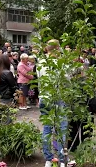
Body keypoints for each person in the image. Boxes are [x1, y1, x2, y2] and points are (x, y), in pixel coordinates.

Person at [37, 39, 68, 167]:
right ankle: (62, 160)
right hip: (58, 97)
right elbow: (67, 81)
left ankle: (48, 159)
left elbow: (39, 81)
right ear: (57, 48)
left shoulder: (41, 62)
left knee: (47, 129)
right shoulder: (61, 63)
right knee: (62, 129)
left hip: (44, 97)